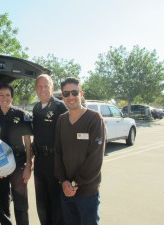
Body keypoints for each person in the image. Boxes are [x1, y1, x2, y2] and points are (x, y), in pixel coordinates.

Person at [54, 77, 106, 225]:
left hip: (87, 192)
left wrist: (75, 183)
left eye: (74, 92)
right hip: (66, 190)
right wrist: (63, 181)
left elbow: (95, 158)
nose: (70, 97)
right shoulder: (61, 120)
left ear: (81, 93)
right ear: (62, 96)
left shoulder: (94, 119)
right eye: (66, 93)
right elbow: (58, 152)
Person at [0, 84, 32, 225]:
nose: (5, 98)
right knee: (2, 201)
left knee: (21, 201)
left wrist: (28, 165)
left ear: (12, 97)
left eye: (8, 95)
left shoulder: (21, 115)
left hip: (19, 162)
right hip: (0, 164)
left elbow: (27, 142)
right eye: (1, 95)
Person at [32, 74, 67, 225]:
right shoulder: (36, 108)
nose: (43, 89)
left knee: (57, 204)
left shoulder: (60, 107)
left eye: (46, 86)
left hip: (55, 162)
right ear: (36, 89)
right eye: (39, 86)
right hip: (40, 161)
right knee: (41, 202)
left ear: (52, 88)